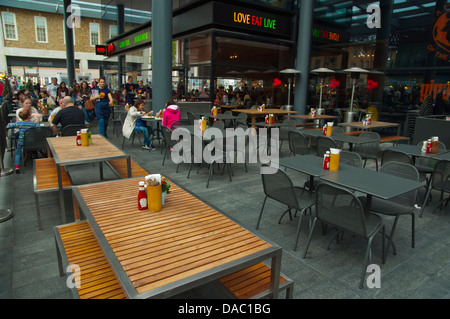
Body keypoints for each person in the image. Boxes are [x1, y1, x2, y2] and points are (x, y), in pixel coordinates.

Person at [7, 108, 40, 174]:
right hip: (31, 141)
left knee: (18, 153)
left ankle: (17, 166)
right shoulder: (32, 124)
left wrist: (9, 124)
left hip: (21, 141)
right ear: (29, 116)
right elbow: (38, 130)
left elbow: (9, 126)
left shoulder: (19, 123)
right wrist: (37, 122)